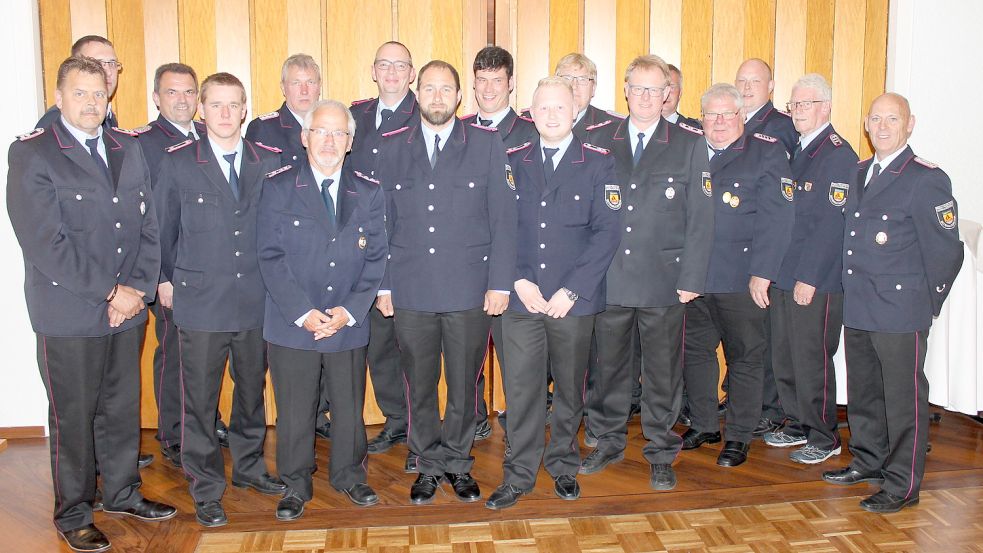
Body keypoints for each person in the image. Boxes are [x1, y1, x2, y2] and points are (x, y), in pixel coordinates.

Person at [7, 55, 176, 553]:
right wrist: (110, 292)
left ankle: (122, 491)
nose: (90, 102)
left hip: (126, 310)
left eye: (98, 93)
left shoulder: (127, 147)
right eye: (79, 93)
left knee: (121, 409)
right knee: (74, 417)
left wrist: (136, 291)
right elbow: (45, 243)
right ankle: (74, 511)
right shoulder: (35, 154)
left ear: (110, 98)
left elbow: (148, 228)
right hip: (70, 313)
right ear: (58, 99)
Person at [374, 60, 516, 505]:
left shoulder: (486, 145)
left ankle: (456, 460)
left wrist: (500, 284)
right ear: (417, 94)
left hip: (469, 289)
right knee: (418, 385)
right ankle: (427, 464)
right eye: (429, 89)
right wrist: (384, 285)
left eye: (446, 89)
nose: (437, 97)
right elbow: (380, 222)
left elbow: (503, 218)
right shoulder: (391, 147)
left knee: (462, 385)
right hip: (411, 289)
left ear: (460, 96)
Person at [154, 72, 285, 527]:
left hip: (255, 300)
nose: (225, 114)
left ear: (245, 109)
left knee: (251, 392)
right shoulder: (177, 162)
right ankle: (206, 486)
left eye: (234, 105)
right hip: (201, 301)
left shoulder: (267, 161)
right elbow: (162, 228)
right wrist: (166, 279)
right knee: (200, 402)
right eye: (216, 105)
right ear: (202, 110)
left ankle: (249, 469)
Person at [823, 92, 963, 513]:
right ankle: (868, 460)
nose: (883, 127)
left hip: (902, 312)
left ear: (910, 124)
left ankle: (903, 484)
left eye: (892, 119)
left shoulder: (925, 179)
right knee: (865, 394)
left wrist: (925, 305)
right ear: (866, 125)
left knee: (904, 402)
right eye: (876, 119)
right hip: (862, 305)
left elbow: (946, 253)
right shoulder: (859, 171)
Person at [485, 76, 620, 510]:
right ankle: (519, 473)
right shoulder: (509, 159)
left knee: (569, 388)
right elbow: (497, 226)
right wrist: (518, 279)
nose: (551, 115)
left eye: (559, 107)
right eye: (542, 108)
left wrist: (572, 291)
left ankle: (562, 464)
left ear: (575, 111)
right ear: (530, 112)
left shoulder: (599, 162)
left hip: (572, 303)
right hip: (522, 300)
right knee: (522, 391)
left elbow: (607, 233)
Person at [581, 55, 713, 490]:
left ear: (667, 95)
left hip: (664, 279)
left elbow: (702, 217)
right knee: (609, 367)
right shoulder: (599, 139)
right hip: (611, 276)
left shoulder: (690, 143)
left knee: (662, 372)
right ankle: (607, 439)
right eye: (637, 88)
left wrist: (692, 277)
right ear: (625, 89)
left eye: (655, 90)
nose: (645, 97)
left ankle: (659, 449)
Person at [258, 99, 388, 520]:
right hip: (293, 320)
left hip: (346, 322)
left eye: (338, 134)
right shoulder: (278, 186)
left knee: (349, 406)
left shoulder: (368, 190)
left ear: (350, 142)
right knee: (295, 409)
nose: (329, 141)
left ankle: (350, 475)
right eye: (321, 131)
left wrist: (348, 312)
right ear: (304, 137)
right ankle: (295, 484)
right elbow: (270, 256)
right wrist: (303, 312)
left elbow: (376, 258)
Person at [680, 83, 794, 468]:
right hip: (694, 278)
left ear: (742, 117)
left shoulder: (766, 151)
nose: (720, 122)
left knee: (744, 358)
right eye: (712, 115)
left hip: (741, 279)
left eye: (728, 114)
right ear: (702, 119)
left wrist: (763, 273)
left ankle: (740, 436)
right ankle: (705, 423)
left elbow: (779, 218)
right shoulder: (689, 149)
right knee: (695, 353)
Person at [765, 74, 857, 464]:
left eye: (804, 105)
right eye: (794, 105)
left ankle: (824, 434)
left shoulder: (837, 154)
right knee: (785, 355)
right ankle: (797, 422)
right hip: (787, 273)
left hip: (814, 280)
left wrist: (810, 278)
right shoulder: (798, 149)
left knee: (811, 358)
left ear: (825, 108)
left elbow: (831, 225)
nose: (796, 112)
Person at [135, 62, 214, 467]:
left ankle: (204, 423)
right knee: (175, 353)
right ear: (156, 98)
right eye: (172, 92)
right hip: (173, 270)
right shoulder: (142, 144)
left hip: (211, 271)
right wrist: (161, 276)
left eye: (188, 92)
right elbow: (149, 218)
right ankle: (174, 432)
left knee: (206, 354)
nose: (182, 100)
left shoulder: (209, 134)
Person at [347, 41, 420, 465]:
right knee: (377, 344)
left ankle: (418, 428)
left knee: (413, 346)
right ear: (373, 71)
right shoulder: (356, 116)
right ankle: (395, 417)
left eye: (400, 65)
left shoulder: (422, 116)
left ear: (410, 73)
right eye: (384, 65)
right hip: (363, 249)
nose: (392, 71)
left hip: (409, 248)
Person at [461, 45, 539, 440]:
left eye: (497, 80)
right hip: (468, 265)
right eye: (482, 80)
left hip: (514, 265)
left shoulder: (531, 131)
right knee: (465, 355)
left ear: (511, 84)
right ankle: (473, 419)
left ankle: (521, 428)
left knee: (516, 357)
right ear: (472, 84)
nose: (489, 88)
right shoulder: (458, 130)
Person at [245, 53, 322, 164]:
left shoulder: (333, 126)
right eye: (296, 83)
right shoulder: (263, 128)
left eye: (310, 82)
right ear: (283, 88)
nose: (304, 91)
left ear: (319, 87)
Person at [37, 36, 121, 130]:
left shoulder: (107, 115)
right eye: (97, 63)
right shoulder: (56, 120)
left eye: (112, 63)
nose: (108, 72)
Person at [551, 53, 624, 144]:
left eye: (582, 79)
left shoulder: (616, 128)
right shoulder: (533, 123)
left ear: (593, 88)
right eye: (567, 78)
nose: (574, 86)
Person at [663, 64, 702, 128]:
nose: (667, 93)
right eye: (662, 87)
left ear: (680, 93)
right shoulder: (641, 127)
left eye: (672, 87)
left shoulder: (695, 130)